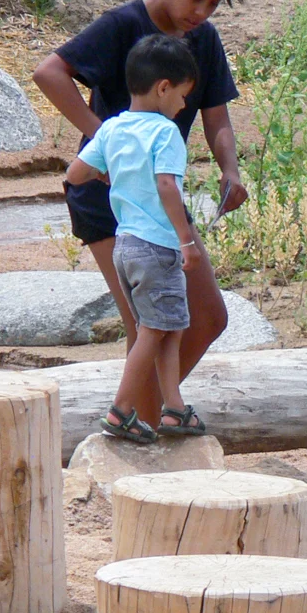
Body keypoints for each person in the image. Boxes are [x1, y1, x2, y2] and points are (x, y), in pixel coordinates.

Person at [34, 0, 248, 425]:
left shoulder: (204, 40)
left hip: (159, 196)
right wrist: (102, 137)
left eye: (214, 4)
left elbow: (216, 115)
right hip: (110, 196)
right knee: (145, 324)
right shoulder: (121, 25)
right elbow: (49, 73)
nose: (202, 12)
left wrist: (230, 169)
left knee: (208, 318)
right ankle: (141, 426)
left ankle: (146, 418)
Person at [65, 35, 206, 444]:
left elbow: (75, 174)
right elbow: (166, 185)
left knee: (169, 325)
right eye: (182, 96)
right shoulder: (166, 134)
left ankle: (174, 406)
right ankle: (121, 408)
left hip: (124, 245)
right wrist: (187, 240)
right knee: (152, 329)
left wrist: (108, 172)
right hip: (157, 246)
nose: (183, 106)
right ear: (164, 87)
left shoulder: (111, 129)